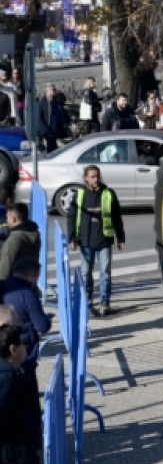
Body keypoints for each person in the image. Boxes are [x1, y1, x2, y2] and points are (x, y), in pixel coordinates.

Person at [66, 166, 126, 316]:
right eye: (92, 176)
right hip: (85, 241)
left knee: (105, 273)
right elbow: (71, 217)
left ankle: (105, 303)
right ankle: (88, 301)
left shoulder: (108, 193)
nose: (95, 179)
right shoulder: (79, 194)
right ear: (85, 178)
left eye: (97, 176)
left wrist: (121, 238)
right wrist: (72, 238)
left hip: (104, 240)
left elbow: (117, 217)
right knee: (86, 273)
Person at [1, 258, 52, 409]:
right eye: (36, 277)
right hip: (25, 356)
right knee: (29, 401)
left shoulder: (4, 286)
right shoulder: (27, 294)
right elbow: (42, 326)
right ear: (30, 276)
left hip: (4, 353)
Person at [0, 324, 40, 464]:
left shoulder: (12, 372)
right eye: (23, 343)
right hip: (14, 460)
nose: (26, 346)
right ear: (13, 349)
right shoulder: (7, 379)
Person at [0, 204, 40, 282]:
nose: (6, 221)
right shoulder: (34, 234)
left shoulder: (13, 241)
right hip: (29, 284)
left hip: (13, 288)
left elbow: (4, 272)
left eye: (7, 218)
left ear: (13, 219)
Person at [37, 83, 68, 152]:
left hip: (58, 131)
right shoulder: (41, 103)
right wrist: (46, 131)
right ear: (46, 92)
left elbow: (64, 114)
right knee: (52, 150)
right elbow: (38, 119)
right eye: (52, 90)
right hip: (49, 132)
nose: (53, 92)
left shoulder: (57, 102)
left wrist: (70, 123)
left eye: (54, 90)